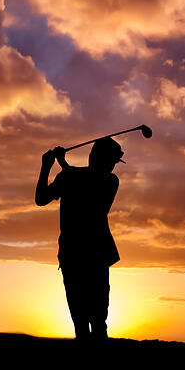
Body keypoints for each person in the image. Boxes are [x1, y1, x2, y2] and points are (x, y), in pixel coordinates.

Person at [35, 138, 123, 340]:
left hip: (74, 254)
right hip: (93, 254)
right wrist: (59, 164)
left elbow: (43, 197)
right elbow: (43, 198)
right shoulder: (93, 179)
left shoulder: (108, 181)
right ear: (96, 158)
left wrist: (49, 166)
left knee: (90, 321)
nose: (112, 166)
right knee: (89, 320)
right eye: (111, 161)